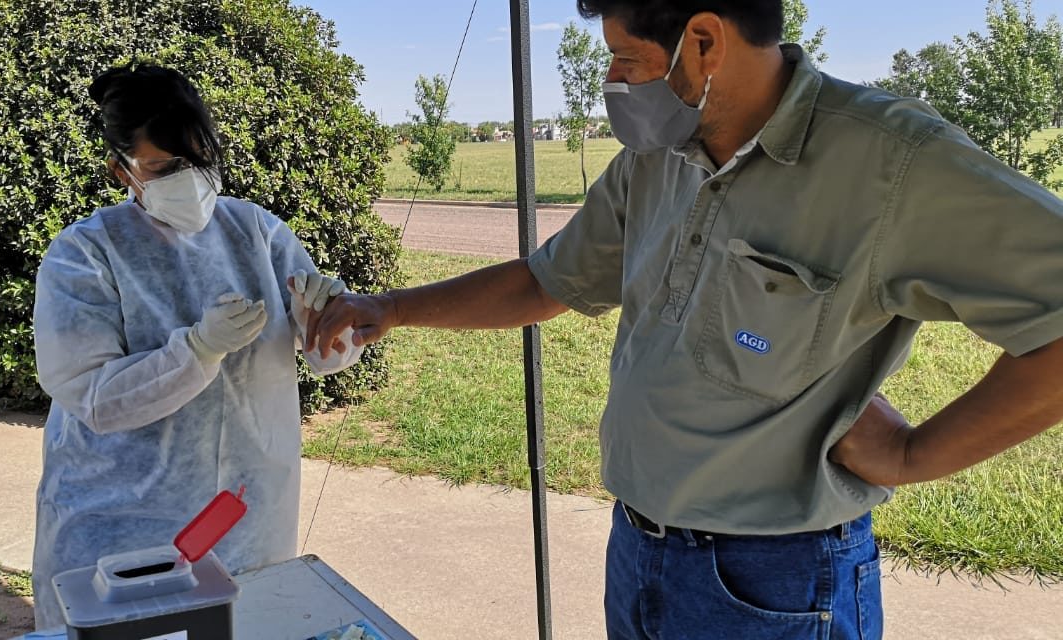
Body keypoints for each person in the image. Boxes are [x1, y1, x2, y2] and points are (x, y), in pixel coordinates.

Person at [308, 2, 1063, 638]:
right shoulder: (657, 157)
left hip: (778, 585)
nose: (611, 80)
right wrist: (392, 309)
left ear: (703, 42)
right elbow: (549, 280)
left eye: (625, 57)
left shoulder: (891, 164)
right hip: (639, 550)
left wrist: (914, 456)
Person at [30, 63, 361, 629]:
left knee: (245, 624)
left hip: (250, 514)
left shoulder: (256, 231)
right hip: (121, 529)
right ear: (121, 171)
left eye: (200, 160)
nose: (191, 178)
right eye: (165, 167)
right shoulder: (85, 253)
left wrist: (324, 319)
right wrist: (198, 351)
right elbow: (96, 399)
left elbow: (329, 354)